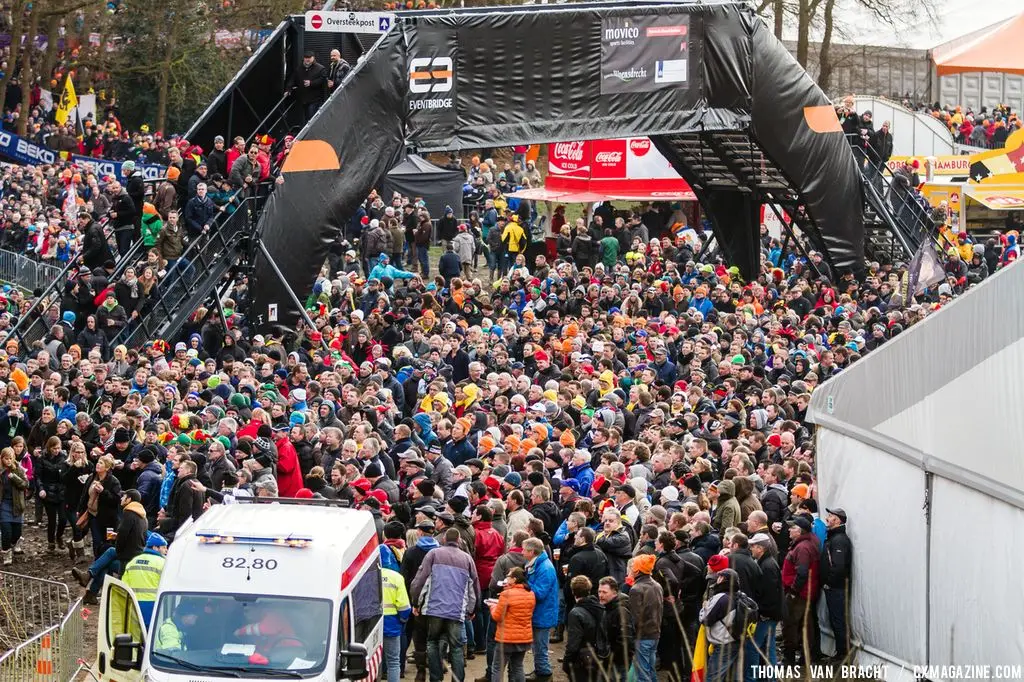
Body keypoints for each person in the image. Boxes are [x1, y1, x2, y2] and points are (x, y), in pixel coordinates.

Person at [410, 527, 480, 682]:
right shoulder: (467, 559)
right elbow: (474, 585)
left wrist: (416, 602)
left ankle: (435, 678)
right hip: (456, 611)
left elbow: (420, 580)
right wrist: (473, 608)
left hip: (434, 609)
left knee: (432, 642)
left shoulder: (433, 554)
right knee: (456, 648)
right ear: (459, 541)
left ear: (443, 540)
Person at [72, 488, 147, 605]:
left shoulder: (129, 513)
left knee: (111, 553)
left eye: (124, 497)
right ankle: (90, 593)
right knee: (106, 564)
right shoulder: (142, 517)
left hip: (127, 560)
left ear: (129, 499)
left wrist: (118, 547)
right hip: (135, 557)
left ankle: (89, 578)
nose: (121, 498)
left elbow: (123, 536)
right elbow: (134, 537)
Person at [781, 515, 821, 665]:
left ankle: (789, 658)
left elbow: (802, 573)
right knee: (806, 624)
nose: (789, 529)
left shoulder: (803, 548)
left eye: (793, 527)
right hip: (806, 592)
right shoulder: (807, 542)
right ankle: (806, 657)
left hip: (800, 593)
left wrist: (793, 591)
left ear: (801, 531)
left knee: (791, 624)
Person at [489, 566, 535, 682]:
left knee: (497, 668)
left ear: (514, 579)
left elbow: (497, 616)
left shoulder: (506, 594)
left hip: (506, 638)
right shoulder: (531, 594)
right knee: (518, 667)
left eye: (508, 576)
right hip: (524, 637)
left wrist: (493, 607)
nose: (506, 578)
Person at [522, 536, 557, 682]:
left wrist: (524, 586)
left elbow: (540, 593)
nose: (522, 552)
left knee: (540, 647)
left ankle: (544, 674)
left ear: (531, 552)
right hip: (540, 612)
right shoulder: (537, 564)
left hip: (543, 613)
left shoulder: (545, 568)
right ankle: (540, 671)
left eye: (524, 550)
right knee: (537, 646)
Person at [699, 568, 742, 682]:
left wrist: (704, 607)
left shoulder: (721, 598)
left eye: (719, 577)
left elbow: (705, 620)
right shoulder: (740, 596)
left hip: (723, 644)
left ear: (723, 579)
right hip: (737, 640)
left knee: (713, 678)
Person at [820, 508, 852, 662]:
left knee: (838, 620)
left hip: (837, 588)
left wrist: (828, 582)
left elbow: (838, 566)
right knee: (835, 619)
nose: (827, 518)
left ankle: (843, 654)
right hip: (834, 587)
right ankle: (841, 652)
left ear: (838, 520)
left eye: (831, 516)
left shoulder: (839, 540)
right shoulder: (834, 537)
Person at [563, 575, 607, 682]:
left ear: (573, 592)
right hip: (599, 656)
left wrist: (567, 663)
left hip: (582, 661)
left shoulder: (576, 613)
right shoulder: (600, 607)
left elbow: (573, 644)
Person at [628, 553, 663, 682]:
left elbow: (634, 618)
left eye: (632, 566)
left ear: (637, 570)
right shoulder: (657, 586)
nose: (630, 569)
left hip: (642, 636)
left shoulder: (636, 589)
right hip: (655, 634)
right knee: (650, 669)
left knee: (642, 674)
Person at [122, 532, 168, 628]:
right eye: (163, 547)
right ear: (155, 547)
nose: (166, 550)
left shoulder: (133, 562)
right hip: (154, 604)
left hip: (133, 604)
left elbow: (123, 585)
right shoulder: (163, 563)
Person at [598, 576, 634, 682]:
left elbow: (626, 641)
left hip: (618, 663)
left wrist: (609, 657)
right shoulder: (607, 607)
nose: (600, 595)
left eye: (604, 592)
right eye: (599, 591)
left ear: (614, 593)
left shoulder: (621, 611)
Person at [382, 563, 412, 682]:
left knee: (367, 662)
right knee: (393, 662)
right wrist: (403, 620)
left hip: (370, 625)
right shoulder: (397, 577)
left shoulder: (368, 574)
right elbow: (404, 607)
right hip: (391, 625)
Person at [0, 447, 28, 566]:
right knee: (6, 532)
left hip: (17, 504)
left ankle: (14, 545)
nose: (8, 461)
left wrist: (15, 478)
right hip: (3, 504)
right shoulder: (0, 471)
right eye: (6, 459)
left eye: (10, 458)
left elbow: (25, 484)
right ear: (2, 459)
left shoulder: (19, 469)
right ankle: (6, 554)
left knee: (16, 534)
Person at [292, 50, 327, 122]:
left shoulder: (320, 68)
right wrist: (288, 89)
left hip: (315, 99)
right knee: (305, 118)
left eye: (309, 57)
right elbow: (293, 79)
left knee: (311, 117)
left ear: (313, 58)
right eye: (306, 57)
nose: (307, 59)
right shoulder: (299, 68)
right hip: (304, 99)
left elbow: (323, 80)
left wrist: (311, 83)